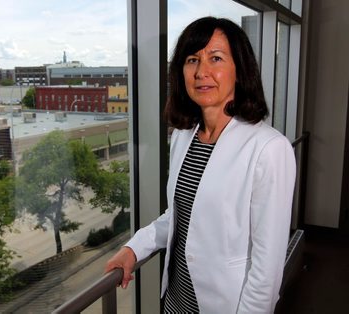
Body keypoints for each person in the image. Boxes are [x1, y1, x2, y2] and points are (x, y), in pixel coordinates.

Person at [105, 16, 296, 313]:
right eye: (192, 60)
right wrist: (133, 248)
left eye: (216, 58)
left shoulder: (269, 148)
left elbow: (267, 266)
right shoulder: (184, 135)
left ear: (239, 70)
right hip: (175, 300)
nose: (201, 72)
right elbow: (179, 217)